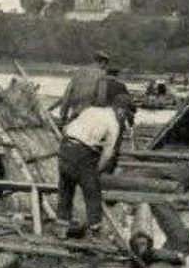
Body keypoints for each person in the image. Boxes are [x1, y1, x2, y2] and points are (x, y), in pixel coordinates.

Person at [56, 93, 135, 239]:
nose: (124, 118)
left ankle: (61, 230)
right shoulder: (114, 124)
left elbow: (66, 129)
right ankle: (95, 233)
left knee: (66, 190)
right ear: (121, 110)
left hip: (65, 147)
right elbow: (107, 154)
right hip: (82, 152)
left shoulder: (91, 110)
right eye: (126, 114)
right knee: (93, 193)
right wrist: (97, 169)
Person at [56, 50, 110, 123]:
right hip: (89, 115)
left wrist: (63, 114)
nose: (106, 67)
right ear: (103, 62)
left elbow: (68, 93)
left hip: (75, 112)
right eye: (106, 64)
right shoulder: (102, 74)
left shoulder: (80, 71)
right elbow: (102, 97)